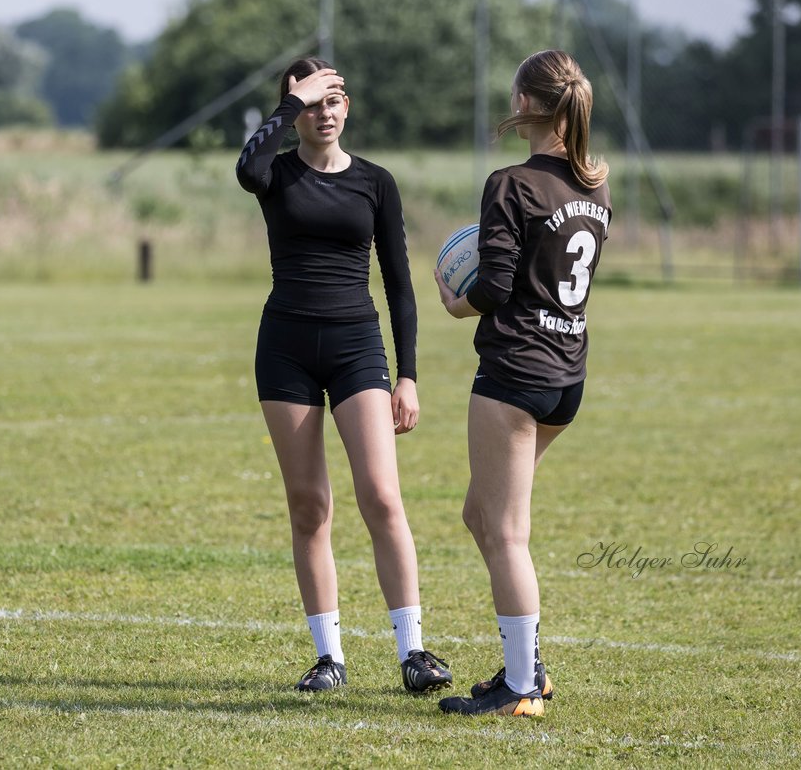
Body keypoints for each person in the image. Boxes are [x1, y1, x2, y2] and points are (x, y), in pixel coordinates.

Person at [235, 56, 452, 695]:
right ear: (294, 112)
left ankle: (413, 651)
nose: (322, 113)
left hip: (358, 345)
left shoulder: (376, 183)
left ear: (347, 106)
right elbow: (244, 166)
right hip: (286, 350)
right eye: (309, 104)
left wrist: (406, 376)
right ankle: (329, 658)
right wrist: (286, 101)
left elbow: (400, 284)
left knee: (382, 496)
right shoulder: (273, 174)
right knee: (310, 507)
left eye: (332, 101)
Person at [434, 50, 611, 717]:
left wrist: (455, 302)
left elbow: (496, 286)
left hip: (515, 372)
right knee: (481, 514)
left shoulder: (510, 184)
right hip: (568, 374)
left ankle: (520, 687)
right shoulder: (595, 185)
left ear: (527, 104)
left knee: (506, 531)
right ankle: (527, 664)